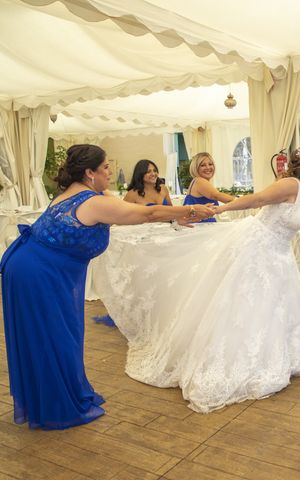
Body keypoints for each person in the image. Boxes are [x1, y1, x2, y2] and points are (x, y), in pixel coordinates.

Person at [0, 144, 213, 430]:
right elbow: (145, 214)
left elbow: (130, 215)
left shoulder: (78, 195)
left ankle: (56, 397)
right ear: (89, 173)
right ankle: (56, 406)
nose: (110, 172)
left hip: (35, 266)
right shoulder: (92, 200)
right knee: (53, 337)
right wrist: (188, 210)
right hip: (39, 272)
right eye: (105, 168)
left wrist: (173, 216)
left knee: (59, 335)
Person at [121, 145, 300, 412]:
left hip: (279, 255)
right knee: (247, 303)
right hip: (258, 247)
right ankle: (239, 360)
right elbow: (257, 200)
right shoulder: (290, 185)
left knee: (274, 305)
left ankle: (283, 353)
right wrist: (217, 211)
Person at [183, 152, 236, 222]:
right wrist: (242, 201)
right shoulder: (200, 181)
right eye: (203, 165)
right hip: (200, 227)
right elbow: (217, 195)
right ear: (196, 168)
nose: (208, 167)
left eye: (210, 164)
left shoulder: (196, 181)